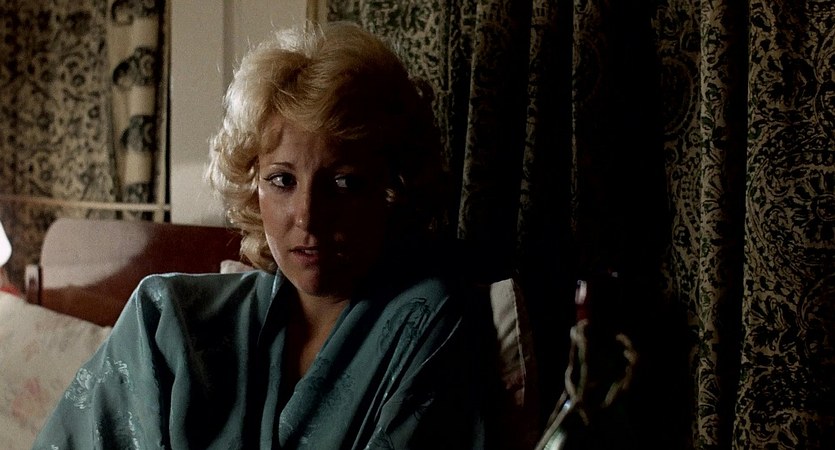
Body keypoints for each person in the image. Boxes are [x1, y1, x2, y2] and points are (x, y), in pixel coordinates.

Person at [33, 22, 499, 449]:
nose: (308, 217)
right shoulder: (165, 320)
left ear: (390, 188)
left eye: (343, 183)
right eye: (282, 180)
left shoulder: (428, 320)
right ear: (252, 185)